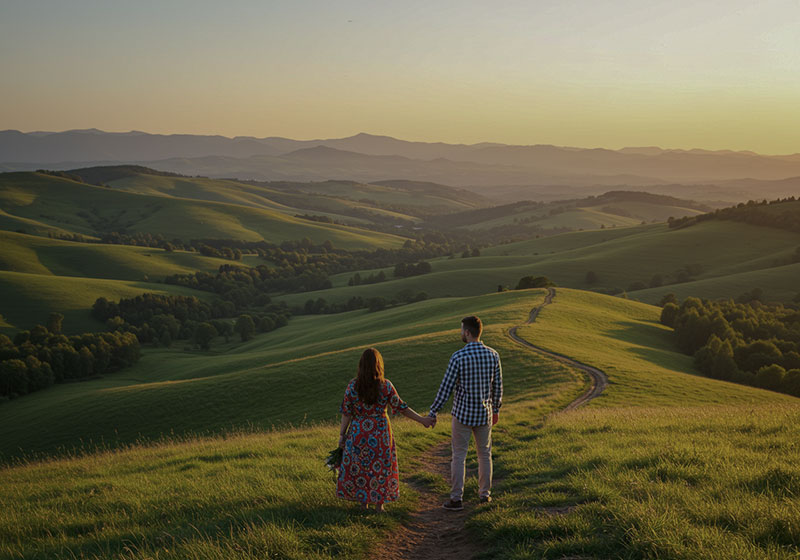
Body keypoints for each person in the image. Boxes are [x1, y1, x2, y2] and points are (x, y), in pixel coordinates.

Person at [337, 347, 434, 512]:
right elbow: (402, 408)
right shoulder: (386, 386)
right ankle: (379, 505)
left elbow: (346, 413)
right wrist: (422, 420)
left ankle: (363, 503)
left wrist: (342, 435)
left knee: (361, 466)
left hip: (358, 431)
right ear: (379, 365)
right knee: (380, 467)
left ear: (361, 365)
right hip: (380, 433)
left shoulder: (353, 386)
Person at [428, 315, 502, 511]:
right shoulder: (493, 355)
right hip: (484, 414)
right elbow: (498, 387)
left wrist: (433, 411)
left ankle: (456, 498)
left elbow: (446, 388)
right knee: (484, 454)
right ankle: (485, 495)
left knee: (459, 455)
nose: (461, 333)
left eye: (462, 330)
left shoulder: (458, 357)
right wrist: (496, 410)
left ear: (467, 332)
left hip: (462, 414)